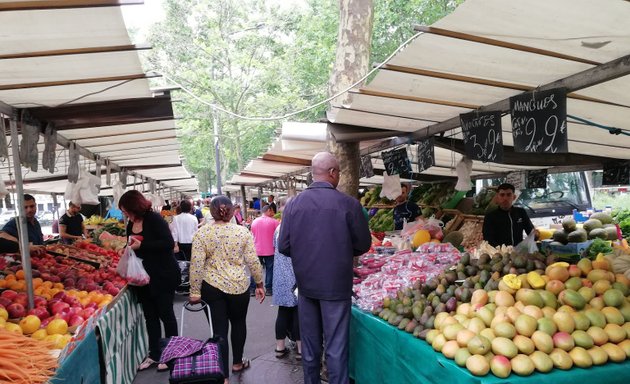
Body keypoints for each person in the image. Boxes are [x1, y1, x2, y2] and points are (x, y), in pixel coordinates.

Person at [278, 152, 371, 384]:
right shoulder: (349, 205)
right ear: (332, 173)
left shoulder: (293, 205)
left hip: (306, 285)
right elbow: (363, 244)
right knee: (336, 346)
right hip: (337, 286)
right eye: (338, 172)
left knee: (309, 346)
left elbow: (284, 245)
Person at [189, 196, 265, 382]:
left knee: (219, 330)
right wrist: (260, 283)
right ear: (232, 211)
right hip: (238, 286)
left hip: (211, 286)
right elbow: (253, 261)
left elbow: (197, 264)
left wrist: (195, 291)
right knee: (239, 323)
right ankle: (237, 362)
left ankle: (223, 376)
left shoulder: (202, 233)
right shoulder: (242, 232)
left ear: (212, 212)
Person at [119, 190, 181, 372]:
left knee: (166, 315)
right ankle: (154, 354)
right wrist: (126, 249)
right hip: (142, 278)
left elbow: (169, 243)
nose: (125, 214)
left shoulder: (154, 219)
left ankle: (171, 354)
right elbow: (131, 242)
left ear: (134, 206)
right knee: (150, 317)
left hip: (162, 275)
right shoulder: (131, 222)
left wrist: (143, 246)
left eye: (126, 210)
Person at [272, 196, 301, 360]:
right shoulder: (297, 228)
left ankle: (279, 348)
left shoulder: (279, 228)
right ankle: (301, 350)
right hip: (295, 276)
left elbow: (275, 248)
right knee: (298, 312)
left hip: (280, 277)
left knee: (283, 312)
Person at [250, 205, 279, 296]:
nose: (273, 214)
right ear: (269, 210)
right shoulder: (275, 222)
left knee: (255, 269)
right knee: (269, 269)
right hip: (270, 250)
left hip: (257, 249)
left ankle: (252, 289)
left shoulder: (255, 221)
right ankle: (269, 289)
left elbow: (252, 234)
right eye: (272, 211)